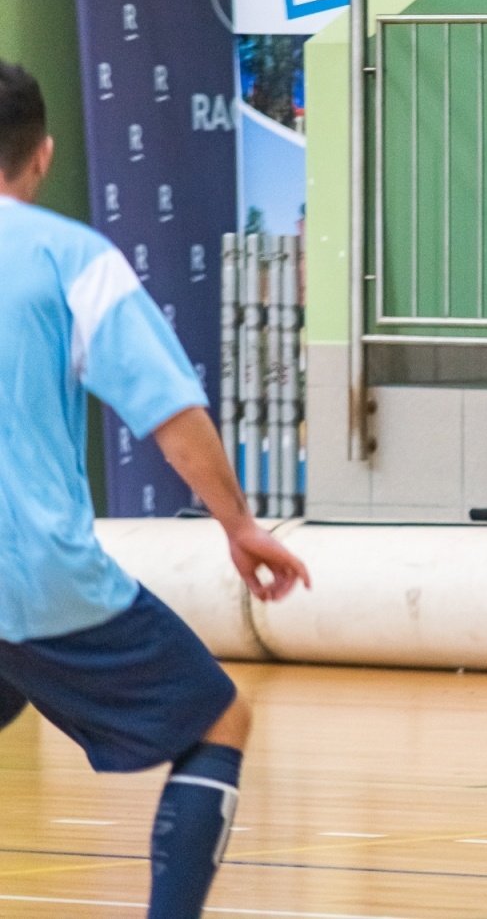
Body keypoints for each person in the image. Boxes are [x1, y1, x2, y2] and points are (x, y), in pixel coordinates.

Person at [0, 59, 311, 918]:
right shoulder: (70, 259)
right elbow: (173, 414)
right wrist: (241, 527)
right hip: (31, 578)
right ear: (42, 156)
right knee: (219, 718)